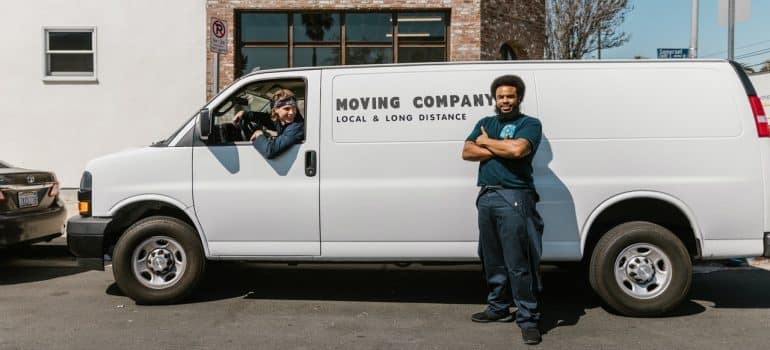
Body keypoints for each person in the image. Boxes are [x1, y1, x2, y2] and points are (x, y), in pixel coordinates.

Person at [462, 75, 544, 345]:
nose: (505, 101)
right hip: (487, 195)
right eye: (500, 97)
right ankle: (497, 308)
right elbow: (466, 151)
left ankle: (528, 318)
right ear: (494, 99)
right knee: (491, 257)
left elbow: (518, 150)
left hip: (515, 196)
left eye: (510, 96)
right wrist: (500, 148)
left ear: (519, 97)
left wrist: (486, 143)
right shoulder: (486, 123)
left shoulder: (529, 124)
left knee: (519, 262)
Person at [233, 89, 305, 159]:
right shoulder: (282, 120)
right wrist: (245, 114)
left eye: (294, 108)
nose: (292, 112)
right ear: (276, 109)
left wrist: (259, 135)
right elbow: (267, 119)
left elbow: (270, 151)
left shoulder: (297, 126)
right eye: (287, 109)